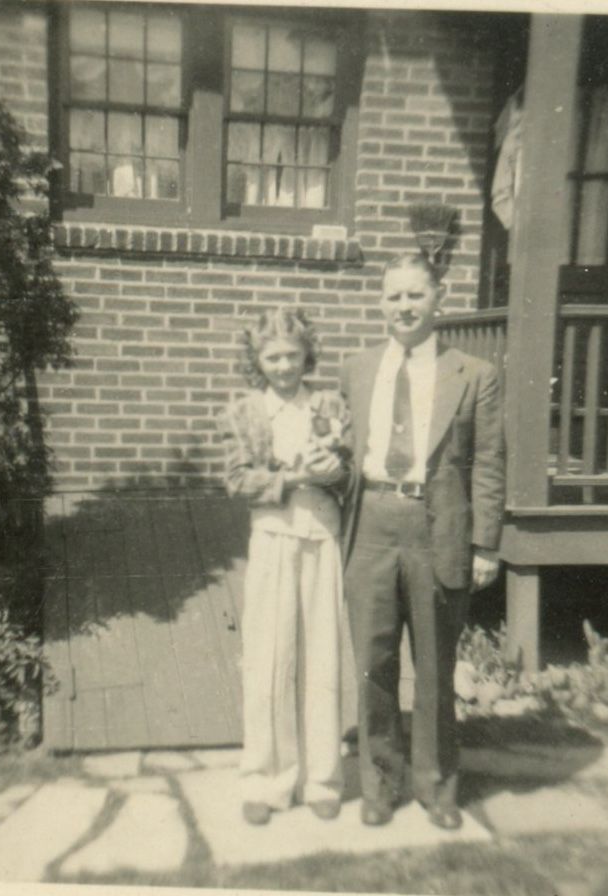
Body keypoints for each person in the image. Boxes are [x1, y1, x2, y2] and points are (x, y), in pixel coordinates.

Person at [340, 252, 505, 830]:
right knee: (373, 662)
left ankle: (437, 787)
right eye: (394, 296)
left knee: (435, 666)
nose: (404, 306)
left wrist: (486, 544)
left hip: (437, 530)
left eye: (415, 294)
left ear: (439, 297)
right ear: (380, 303)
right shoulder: (356, 369)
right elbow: (343, 453)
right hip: (371, 523)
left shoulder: (474, 373)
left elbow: (489, 461)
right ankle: (380, 783)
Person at [217, 307, 352, 826]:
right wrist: (291, 480)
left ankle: (322, 780)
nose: (283, 366)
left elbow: (349, 473)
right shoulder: (244, 413)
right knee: (269, 660)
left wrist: (335, 471)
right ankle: (265, 781)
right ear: (257, 360)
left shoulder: (329, 405)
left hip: (322, 536)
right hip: (273, 537)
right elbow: (236, 480)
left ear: (307, 355)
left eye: (292, 355)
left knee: (322, 659)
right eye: (272, 357)